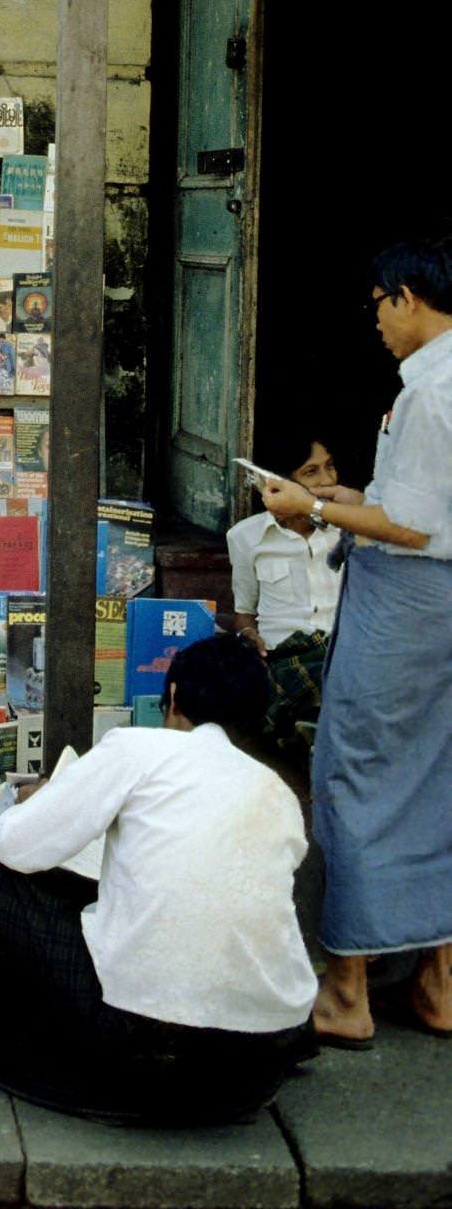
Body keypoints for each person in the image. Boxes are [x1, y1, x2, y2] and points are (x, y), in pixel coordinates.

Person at [0, 634, 317, 1124]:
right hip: (257, 1067)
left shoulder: (141, 747)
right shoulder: (278, 793)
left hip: (144, 1052)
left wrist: (38, 801)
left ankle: (32, 1066)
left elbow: (13, 848)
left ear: (172, 699)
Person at [262, 238, 452, 1047]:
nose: (373, 321)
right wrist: (351, 496)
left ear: (405, 296)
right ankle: (438, 983)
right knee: (435, 778)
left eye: (376, 303)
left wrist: (314, 511)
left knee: (355, 773)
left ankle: (345, 992)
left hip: (406, 605)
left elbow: (411, 526)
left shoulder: (429, 392)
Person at [227, 427, 344, 745]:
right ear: (278, 484)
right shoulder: (245, 537)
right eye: (311, 472)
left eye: (329, 466)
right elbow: (244, 613)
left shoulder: (349, 529)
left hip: (342, 655)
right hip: (283, 660)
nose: (327, 480)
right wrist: (248, 636)